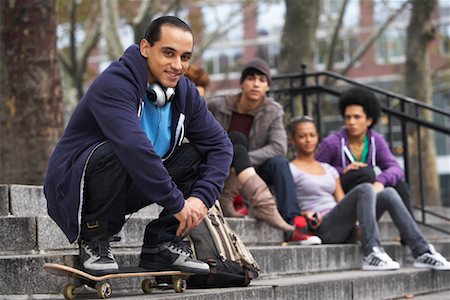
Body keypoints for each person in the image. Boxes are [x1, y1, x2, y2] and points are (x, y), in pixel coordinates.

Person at [44, 16, 233, 275]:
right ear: (146, 48)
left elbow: (221, 145)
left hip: (133, 181)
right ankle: (94, 237)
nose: (177, 65)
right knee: (120, 149)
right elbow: (134, 149)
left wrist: (201, 199)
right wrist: (178, 204)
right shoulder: (114, 84)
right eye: (169, 53)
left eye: (185, 57)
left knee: (196, 154)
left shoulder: (185, 93)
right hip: (79, 184)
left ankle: (163, 244)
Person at [288, 116, 450, 270]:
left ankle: (421, 251)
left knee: (389, 193)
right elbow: (287, 205)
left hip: (341, 224)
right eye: (302, 136)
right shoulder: (290, 169)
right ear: (293, 139)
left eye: (312, 135)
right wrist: (305, 214)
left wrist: (359, 222)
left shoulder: (328, 169)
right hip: (322, 228)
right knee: (365, 187)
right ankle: (371, 251)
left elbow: (341, 201)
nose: (308, 140)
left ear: (317, 137)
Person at [208, 58, 321, 244]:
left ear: (267, 86)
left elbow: (278, 147)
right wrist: (230, 160)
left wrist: (242, 162)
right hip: (220, 169)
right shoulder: (217, 106)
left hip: (253, 174)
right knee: (236, 138)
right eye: (251, 78)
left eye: (262, 80)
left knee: (280, 163)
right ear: (242, 83)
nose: (256, 84)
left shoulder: (273, 110)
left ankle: (293, 226)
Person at [315, 87, 414, 219]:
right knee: (366, 172)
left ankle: (409, 236)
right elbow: (315, 172)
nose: (351, 122)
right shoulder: (331, 143)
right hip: (341, 192)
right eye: (347, 117)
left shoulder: (376, 140)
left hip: (369, 189)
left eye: (357, 117)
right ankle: (359, 226)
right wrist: (342, 171)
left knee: (399, 185)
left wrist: (380, 182)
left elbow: (396, 168)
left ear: (369, 120)